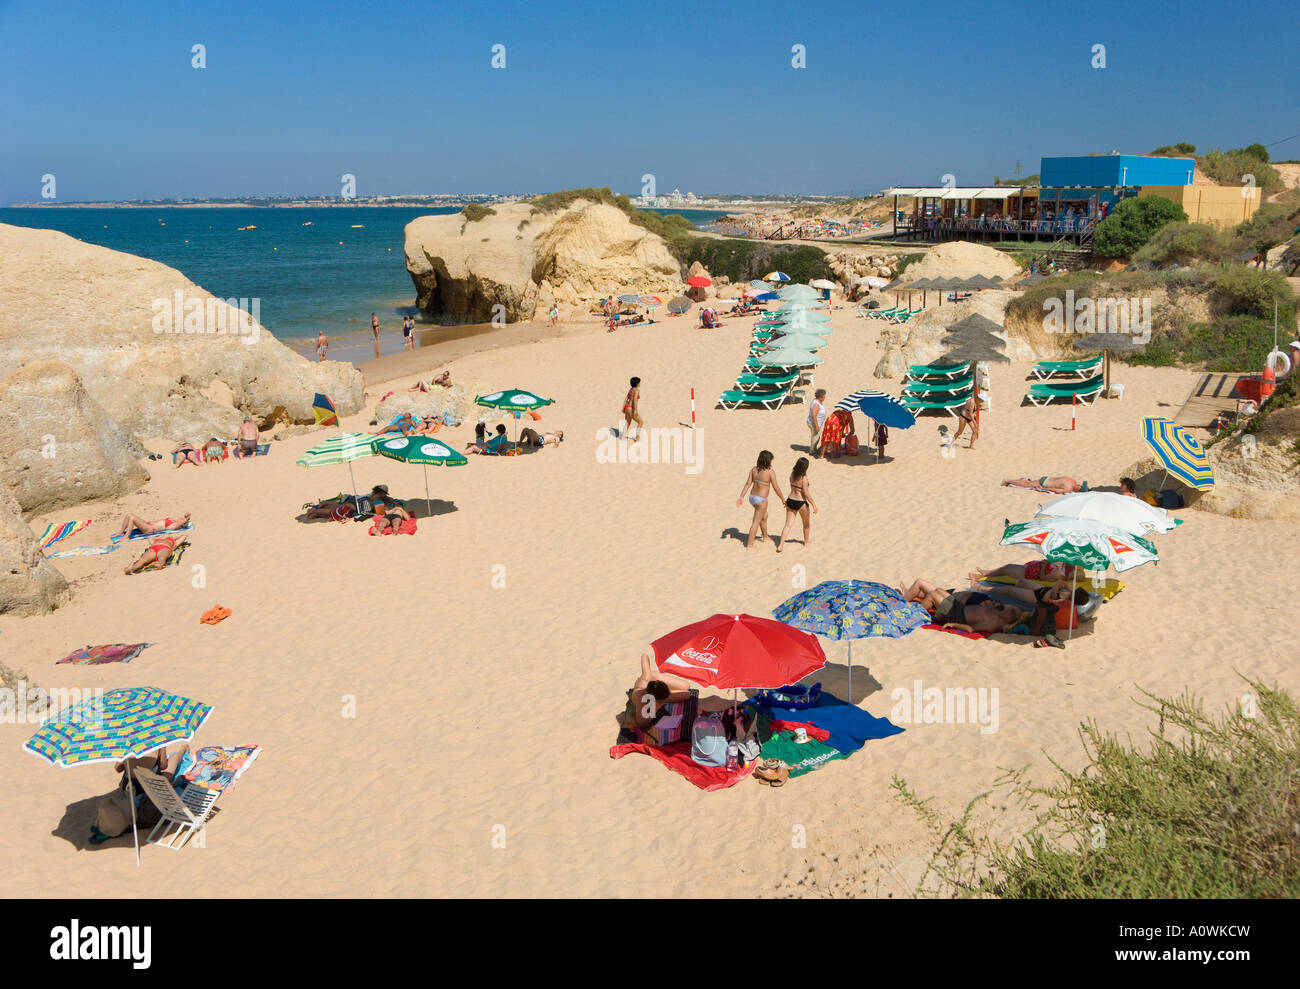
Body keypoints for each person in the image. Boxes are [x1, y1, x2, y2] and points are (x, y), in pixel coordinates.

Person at [91, 748, 172, 842]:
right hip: (148, 793)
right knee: (170, 767)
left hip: (129, 791)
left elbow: (118, 768)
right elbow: (163, 765)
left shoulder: (127, 746)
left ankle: (113, 824)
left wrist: (128, 761)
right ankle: (182, 751)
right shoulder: (158, 742)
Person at [736, 450, 784, 550]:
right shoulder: (770, 472)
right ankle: (749, 545)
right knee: (755, 522)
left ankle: (765, 537)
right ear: (768, 461)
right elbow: (776, 488)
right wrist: (782, 499)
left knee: (764, 516)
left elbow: (748, 484)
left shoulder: (754, 470)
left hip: (752, 498)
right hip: (761, 500)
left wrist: (741, 496)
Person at [776, 457, 817, 552]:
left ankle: (780, 545)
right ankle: (806, 542)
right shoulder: (804, 478)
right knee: (806, 524)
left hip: (790, 500)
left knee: (788, 524)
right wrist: (814, 504)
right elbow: (806, 493)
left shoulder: (792, 474)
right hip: (800, 502)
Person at [968, 561, 1081, 584]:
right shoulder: (1062, 565)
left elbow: (1042, 577)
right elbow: (1046, 561)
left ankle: (982, 576)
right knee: (1006, 567)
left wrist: (1043, 565)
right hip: (1031, 567)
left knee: (1006, 569)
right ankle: (987, 572)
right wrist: (1044, 563)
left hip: (1029, 573)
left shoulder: (1060, 574)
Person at [116, 512, 190, 539]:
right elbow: (184, 517)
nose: (181, 518)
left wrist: (186, 519)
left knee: (132, 518)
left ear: (182, 524)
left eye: (183, 520)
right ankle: (121, 532)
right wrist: (185, 516)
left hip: (150, 529)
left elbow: (184, 521)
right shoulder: (174, 521)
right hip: (148, 524)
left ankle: (126, 536)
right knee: (129, 515)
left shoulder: (174, 526)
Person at [1002, 476, 1086, 494]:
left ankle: (1018, 479)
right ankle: (1008, 480)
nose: (1080, 485)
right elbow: (1055, 490)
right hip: (1044, 483)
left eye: (1081, 486)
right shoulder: (1068, 488)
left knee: (1028, 483)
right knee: (1027, 485)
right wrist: (1042, 489)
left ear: (1078, 489)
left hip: (1047, 478)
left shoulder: (1072, 480)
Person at [622, 377, 643, 441]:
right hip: (631, 407)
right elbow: (634, 400)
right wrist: (635, 410)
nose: (640, 383)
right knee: (640, 422)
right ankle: (637, 437)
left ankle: (623, 436)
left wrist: (623, 407)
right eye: (639, 382)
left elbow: (626, 398)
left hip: (627, 406)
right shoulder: (637, 390)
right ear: (637, 383)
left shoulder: (630, 389)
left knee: (628, 422)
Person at [807, 389, 827, 457]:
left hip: (816, 423)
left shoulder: (817, 401)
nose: (825, 398)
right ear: (820, 397)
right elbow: (813, 415)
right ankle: (812, 451)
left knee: (816, 436)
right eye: (824, 397)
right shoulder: (816, 404)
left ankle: (813, 449)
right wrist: (816, 426)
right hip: (814, 424)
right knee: (815, 437)